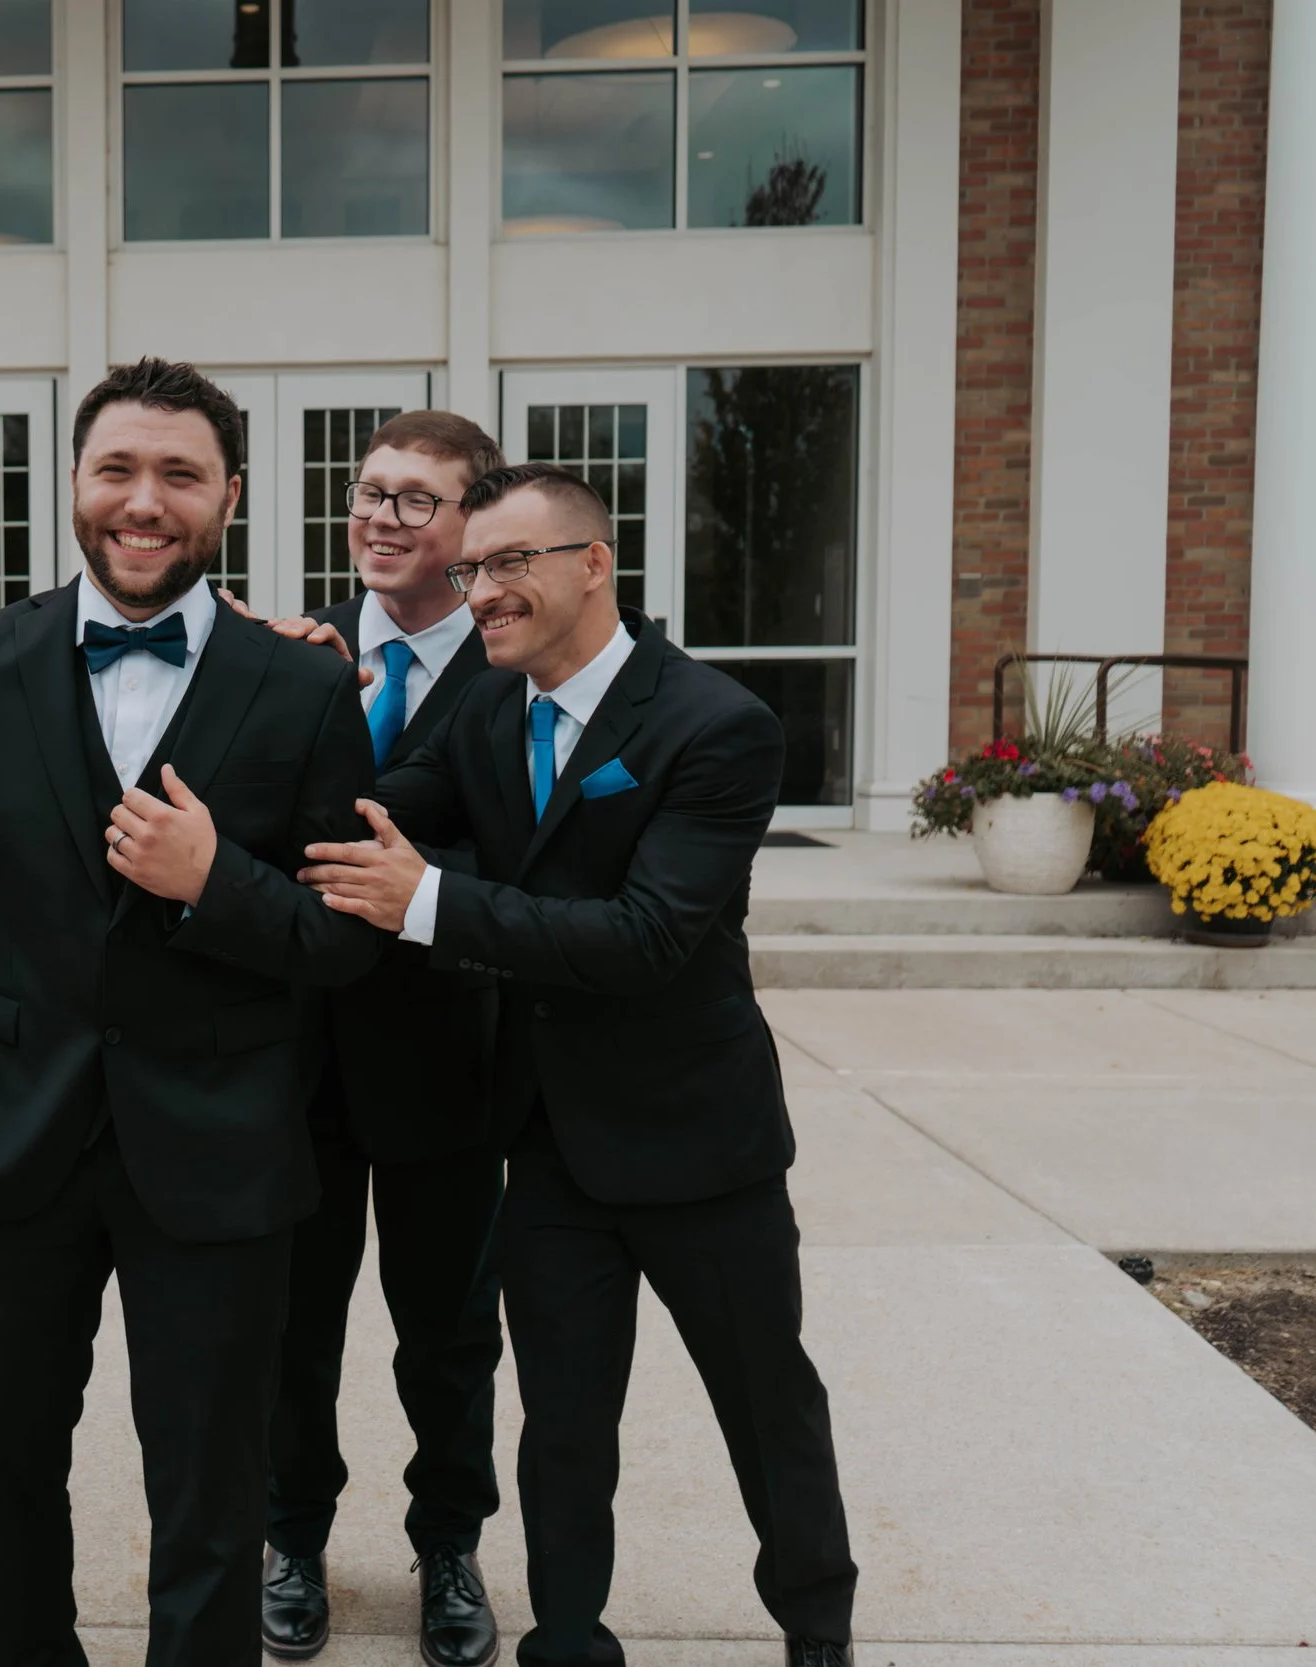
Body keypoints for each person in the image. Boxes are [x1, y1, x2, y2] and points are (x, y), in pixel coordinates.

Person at [0, 358, 383, 1666]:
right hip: (2, 1135)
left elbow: (349, 939)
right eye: (118, 469)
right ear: (75, 484)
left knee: (209, 1487)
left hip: (221, 1141)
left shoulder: (308, 683)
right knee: (10, 1471)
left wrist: (222, 885)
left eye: (180, 474)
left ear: (232, 496)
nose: (145, 501)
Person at [297, 462, 858, 1667]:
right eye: (470, 570)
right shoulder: (487, 713)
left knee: (765, 1407)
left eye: (508, 564)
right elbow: (363, 811)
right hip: (547, 1140)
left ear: (591, 564)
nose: (481, 592)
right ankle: (564, 1637)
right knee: (560, 1423)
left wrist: (432, 900)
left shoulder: (716, 724)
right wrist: (273, 693)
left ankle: (816, 1626)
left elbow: (648, 936)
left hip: (699, 1141)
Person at [260, 411, 507, 1667]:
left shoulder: (517, 671)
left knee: (450, 1334)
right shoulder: (286, 655)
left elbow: (521, 855)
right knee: (291, 1328)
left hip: (444, 1058)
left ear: (473, 529)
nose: (381, 516)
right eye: (368, 492)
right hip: (293, 1060)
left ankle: (449, 1543)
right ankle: (290, 1536)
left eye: (417, 498)